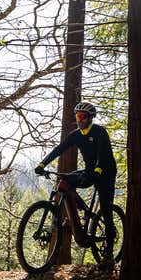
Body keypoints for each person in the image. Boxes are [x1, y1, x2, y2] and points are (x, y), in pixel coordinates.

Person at [35, 101, 118, 267]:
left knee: (106, 209)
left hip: (106, 173)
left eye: (82, 116)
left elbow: (102, 154)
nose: (79, 119)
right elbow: (59, 149)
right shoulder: (76, 134)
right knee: (65, 181)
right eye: (77, 116)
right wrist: (42, 164)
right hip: (89, 171)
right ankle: (81, 213)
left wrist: (98, 170)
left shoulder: (99, 132)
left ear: (90, 118)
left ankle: (108, 254)